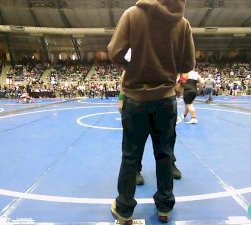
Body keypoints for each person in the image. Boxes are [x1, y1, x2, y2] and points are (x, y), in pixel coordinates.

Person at [108, 0, 195, 223]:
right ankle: (164, 207)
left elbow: (115, 51)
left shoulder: (132, 15)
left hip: (135, 99)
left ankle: (125, 209)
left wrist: (131, 67)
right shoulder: (182, 23)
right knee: (165, 155)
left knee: (130, 156)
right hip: (165, 100)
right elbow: (188, 64)